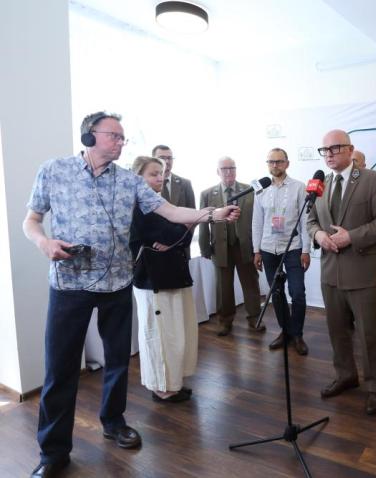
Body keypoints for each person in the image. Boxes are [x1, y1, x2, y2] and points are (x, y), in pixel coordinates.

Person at [23, 112, 239, 478]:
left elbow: (169, 210)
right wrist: (44, 242)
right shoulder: (53, 170)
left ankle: (114, 421)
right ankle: (53, 451)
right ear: (90, 137)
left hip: (117, 285)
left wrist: (211, 214)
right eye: (115, 136)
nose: (121, 142)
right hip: (69, 286)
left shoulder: (128, 181)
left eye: (123, 137)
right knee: (60, 370)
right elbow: (31, 221)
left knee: (118, 360)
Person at [307, 129, 376, 415]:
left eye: (335, 148)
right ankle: (346, 375)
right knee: (337, 332)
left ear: (350, 149)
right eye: (325, 150)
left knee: (369, 335)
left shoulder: (372, 180)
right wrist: (318, 235)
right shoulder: (320, 184)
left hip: (363, 273)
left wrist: (352, 237)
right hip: (330, 273)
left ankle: (374, 388)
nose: (330, 154)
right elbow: (311, 220)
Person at [130, 156, 197, 403]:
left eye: (162, 173)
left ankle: (173, 382)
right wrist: (185, 225)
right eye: (153, 173)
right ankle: (161, 388)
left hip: (172, 274)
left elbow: (181, 238)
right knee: (159, 336)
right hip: (153, 279)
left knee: (176, 334)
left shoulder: (162, 204)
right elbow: (168, 233)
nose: (160, 177)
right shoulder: (139, 206)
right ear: (139, 177)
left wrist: (182, 230)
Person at [252, 148, 311, 355]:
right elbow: (257, 221)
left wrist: (306, 250)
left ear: (287, 163)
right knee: (276, 293)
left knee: (298, 293)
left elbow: (306, 220)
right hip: (268, 249)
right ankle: (285, 331)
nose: (274, 165)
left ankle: (297, 334)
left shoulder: (299, 187)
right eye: (271, 162)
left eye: (279, 161)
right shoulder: (261, 189)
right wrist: (256, 250)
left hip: (293, 247)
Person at [199, 157, 264, 336]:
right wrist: (204, 247)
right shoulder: (207, 194)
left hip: (245, 246)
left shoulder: (250, 191)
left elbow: (259, 218)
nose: (228, 172)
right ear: (217, 171)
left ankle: (254, 318)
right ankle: (225, 320)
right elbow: (203, 222)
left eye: (232, 168)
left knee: (251, 283)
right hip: (220, 248)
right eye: (224, 168)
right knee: (223, 287)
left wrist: (259, 246)